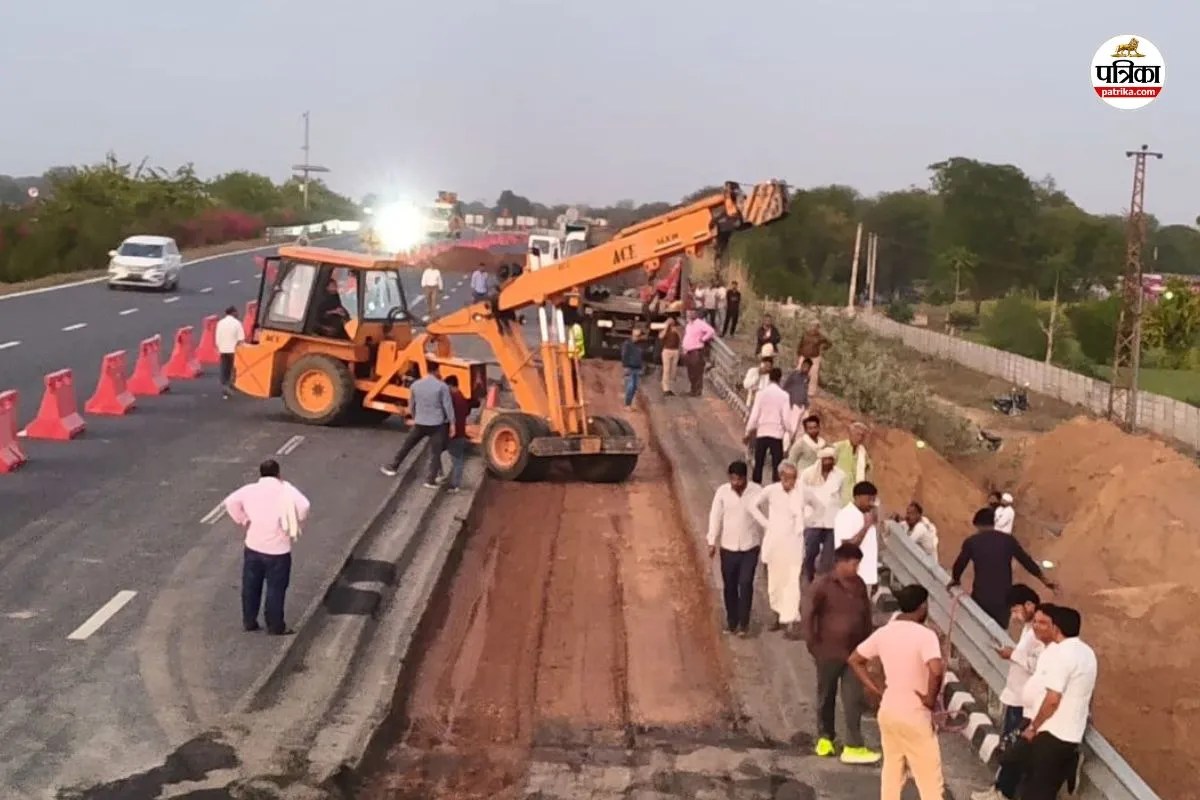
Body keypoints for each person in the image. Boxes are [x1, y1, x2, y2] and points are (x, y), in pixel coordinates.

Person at [849, 584, 947, 800]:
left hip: (889, 711)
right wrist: (930, 699)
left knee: (892, 771)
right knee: (930, 779)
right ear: (922, 607)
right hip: (915, 714)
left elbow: (855, 659)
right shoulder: (926, 635)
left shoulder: (885, 632)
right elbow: (936, 670)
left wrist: (874, 687)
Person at [997, 606, 1096, 800]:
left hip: (1051, 732)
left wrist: (1034, 727)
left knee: (1037, 789)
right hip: (1067, 733)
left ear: (1056, 628)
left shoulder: (1063, 654)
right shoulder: (1087, 653)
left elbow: (1053, 700)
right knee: (1018, 766)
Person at [806, 543, 880, 765]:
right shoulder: (822, 585)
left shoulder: (858, 585)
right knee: (826, 696)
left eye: (857, 564)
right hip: (828, 651)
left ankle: (854, 744)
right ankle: (825, 738)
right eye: (853, 563)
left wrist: (868, 646)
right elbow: (809, 615)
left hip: (854, 654)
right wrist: (813, 645)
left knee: (852, 698)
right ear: (840, 563)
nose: (856, 568)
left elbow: (866, 615)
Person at [223, 459, 311, 636]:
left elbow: (230, 502)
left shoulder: (250, 490)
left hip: (254, 546)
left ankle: (249, 621)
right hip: (278, 551)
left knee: (250, 586)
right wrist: (294, 523)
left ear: (261, 473)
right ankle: (275, 626)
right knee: (275, 589)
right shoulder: (286, 489)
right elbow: (304, 506)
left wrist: (244, 519)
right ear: (278, 474)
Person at [949, 506, 1059, 630]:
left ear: (977, 524)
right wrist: (1044, 580)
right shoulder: (1008, 540)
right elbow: (1026, 561)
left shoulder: (972, 542)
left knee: (978, 630)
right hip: (1004, 599)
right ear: (994, 522)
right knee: (999, 633)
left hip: (981, 596)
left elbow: (959, 565)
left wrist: (955, 579)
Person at [748, 462, 805, 637]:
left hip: (793, 544)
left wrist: (804, 524)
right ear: (781, 477)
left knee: (792, 581)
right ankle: (777, 615)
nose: (792, 482)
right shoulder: (771, 490)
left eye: (794, 478)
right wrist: (766, 524)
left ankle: (791, 622)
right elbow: (752, 506)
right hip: (774, 543)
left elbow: (815, 508)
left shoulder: (800, 493)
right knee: (774, 582)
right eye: (789, 478)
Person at [706, 460, 763, 637]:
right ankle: (732, 622)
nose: (736, 483)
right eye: (733, 479)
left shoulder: (757, 492)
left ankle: (744, 624)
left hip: (750, 546)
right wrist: (711, 541)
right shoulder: (722, 492)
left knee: (745, 583)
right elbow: (715, 516)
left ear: (746, 478)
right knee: (730, 586)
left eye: (739, 479)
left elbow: (766, 517)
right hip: (728, 547)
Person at [380, 363, 455, 487]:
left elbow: (412, 405)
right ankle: (430, 480)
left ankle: (393, 467)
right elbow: (448, 407)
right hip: (437, 424)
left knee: (407, 445)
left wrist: (415, 417)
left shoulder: (416, 385)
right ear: (436, 370)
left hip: (420, 422)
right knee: (435, 453)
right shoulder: (442, 387)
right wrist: (452, 424)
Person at [998, 585, 1044, 742]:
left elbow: (1039, 666)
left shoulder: (1039, 633)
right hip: (1016, 697)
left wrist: (1013, 654)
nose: (1015, 616)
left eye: (1016, 611)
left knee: (1012, 747)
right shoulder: (1028, 629)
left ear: (1029, 605)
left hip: (1024, 702)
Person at [799, 446, 845, 583]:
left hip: (832, 519)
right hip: (813, 519)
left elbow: (841, 495)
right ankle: (809, 573)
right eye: (826, 460)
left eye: (831, 460)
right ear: (820, 460)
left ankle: (823, 581)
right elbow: (802, 495)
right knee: (811, 550)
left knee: (829, 554)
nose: (828, 463)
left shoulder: (840, 475)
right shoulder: (807, 474)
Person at [833, 481, 881, 597]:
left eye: (873, 499)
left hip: (867, 575)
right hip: (852, 575)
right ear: (857, 497)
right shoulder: (846, 515)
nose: (872, 503)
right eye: (869, 499)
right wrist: (866, 527)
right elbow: (846, 547)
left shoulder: (868, 515)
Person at [745, 367, 790, 485]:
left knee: (759, 462)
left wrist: (748, 431)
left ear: (769, 378)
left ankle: (755, 485)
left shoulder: (761, 394)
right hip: (777, 434)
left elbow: (754, 415)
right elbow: (786, 418)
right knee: (777, 464)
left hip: (762, 432)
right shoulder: (784, 395)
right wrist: (789, 431)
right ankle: (776, 487)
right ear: (780, 379)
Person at [442, 375, 478, 492]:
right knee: (456, 459)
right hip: (460, 432)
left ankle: (454, 484)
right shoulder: (461, 397)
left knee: (456, 459)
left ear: (450, 385)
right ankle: (452, 482)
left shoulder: (452, 398)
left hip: (452, 433)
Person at [834, 422, 872, 505]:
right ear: (850, 434)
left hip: (855, 496)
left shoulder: (863, 453)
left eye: (862, 436)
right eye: (857, 434)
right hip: (838, 492)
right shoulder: (839, 447)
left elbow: (868, 472)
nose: (859, 438)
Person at [681, 309, 716, 397]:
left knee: (697, 371)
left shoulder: (700, 323)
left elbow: (711, 331)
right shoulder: (689, 324)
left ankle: (697, 391)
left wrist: (703, 339)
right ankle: (693, 389)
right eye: (689, 313)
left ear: (696, 314)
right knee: (691, 372)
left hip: (696, 351)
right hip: (688, 351)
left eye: (692, 313)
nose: (690, 314)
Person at [780, 357, 812, 452]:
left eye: (808, 367)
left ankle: (786, 449)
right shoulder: (794, 375)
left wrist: (806, 404)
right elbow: (785, 387)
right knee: (789, 427)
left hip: (800, 407)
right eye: (804, 366)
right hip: (791, 404)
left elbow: (804, 391)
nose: (805, 368)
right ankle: (783, 448)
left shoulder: (807, 378)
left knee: (795, 429)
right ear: (802, 365)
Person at [214, 305, 245, 399]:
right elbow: (241, 339)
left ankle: (224, 385)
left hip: (223, 349)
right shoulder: (237, 323)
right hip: (233, 349)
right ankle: (231, 385)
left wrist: (219, 347)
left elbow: (217, 337)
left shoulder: (220, 323)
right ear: (233, 313)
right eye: (236, 312)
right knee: (234, 368)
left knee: (224, 368)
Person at [796, 320, 831, 396]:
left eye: (816, 326)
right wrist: (798, 355)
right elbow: (800, 344)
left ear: (818, 327)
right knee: (798, 371)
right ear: (810, 326)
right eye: (812, 325)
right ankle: (796, 387)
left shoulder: (820, 336)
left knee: (813, 374)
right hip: (804, 355)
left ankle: (811, 392)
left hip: (814, 357)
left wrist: (823, 347)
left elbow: (829, 343)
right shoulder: (805, 334)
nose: (814, 327)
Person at [620, 329, 645, 408]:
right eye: (635, 336)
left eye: (638, 336)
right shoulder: (627, 344)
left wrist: (641, 367)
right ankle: (627, 404)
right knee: (630, 386)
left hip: (637, 367)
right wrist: (625, 366)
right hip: (630, 367)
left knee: (635, 387)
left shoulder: (640, 345)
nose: (637, 337)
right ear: (632, 335)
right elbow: (624, 355)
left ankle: (629, 403)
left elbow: (641, 357)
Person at [659, 316, 681, 395]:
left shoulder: (677, 329)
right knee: (666, 370)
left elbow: (681, 337)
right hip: (667, 350)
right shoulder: (664, 330)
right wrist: (665, 328)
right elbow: (661, 336)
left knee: (673, 371)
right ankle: (666, 389)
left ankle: (671, 388)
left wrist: (676, 331)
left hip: (675, 351)